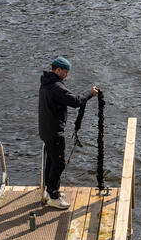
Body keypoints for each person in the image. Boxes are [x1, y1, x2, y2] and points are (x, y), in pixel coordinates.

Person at [38, 56, 98, 209]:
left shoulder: (46, 83)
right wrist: (91, 93)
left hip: (45, 130)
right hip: (54, 133)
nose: (67, 75)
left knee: (51, 162)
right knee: (59, 164)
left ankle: (49, 191)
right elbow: (76, 101)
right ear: (58, 70)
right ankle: (53, 196)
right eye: (65, 72)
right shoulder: (56, 87)